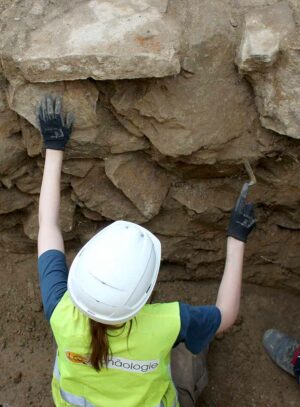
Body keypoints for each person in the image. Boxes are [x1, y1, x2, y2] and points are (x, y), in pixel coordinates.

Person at [37, 95, 256, 407]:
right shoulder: (167, 323)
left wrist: (53, 147)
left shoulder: (60, 312)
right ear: (147, 295)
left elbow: (47, 226)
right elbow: (227, 315)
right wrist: (237, 240)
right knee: (189, 350)